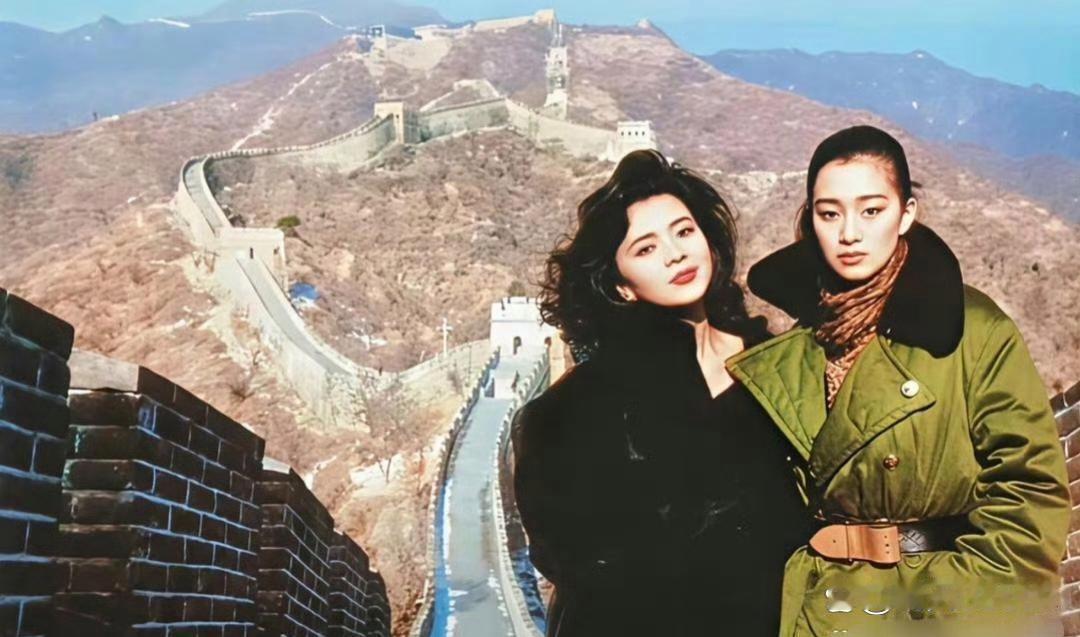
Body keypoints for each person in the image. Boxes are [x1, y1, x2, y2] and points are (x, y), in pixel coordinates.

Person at [726, 125, 1071, 637]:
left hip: (934, 613)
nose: (849, 233)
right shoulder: (800, 346)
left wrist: (951, 610)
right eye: (829, 214)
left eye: (871, 211)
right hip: (822, 611)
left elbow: (1029, 493)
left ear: (906, 213)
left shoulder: (971, 329)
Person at [510, 149, 813, 636]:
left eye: (684, 232)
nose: (675, 254)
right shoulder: (573, 412)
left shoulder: (774, 365)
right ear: (621, 286)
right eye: (646, 248)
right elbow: (572, 560)